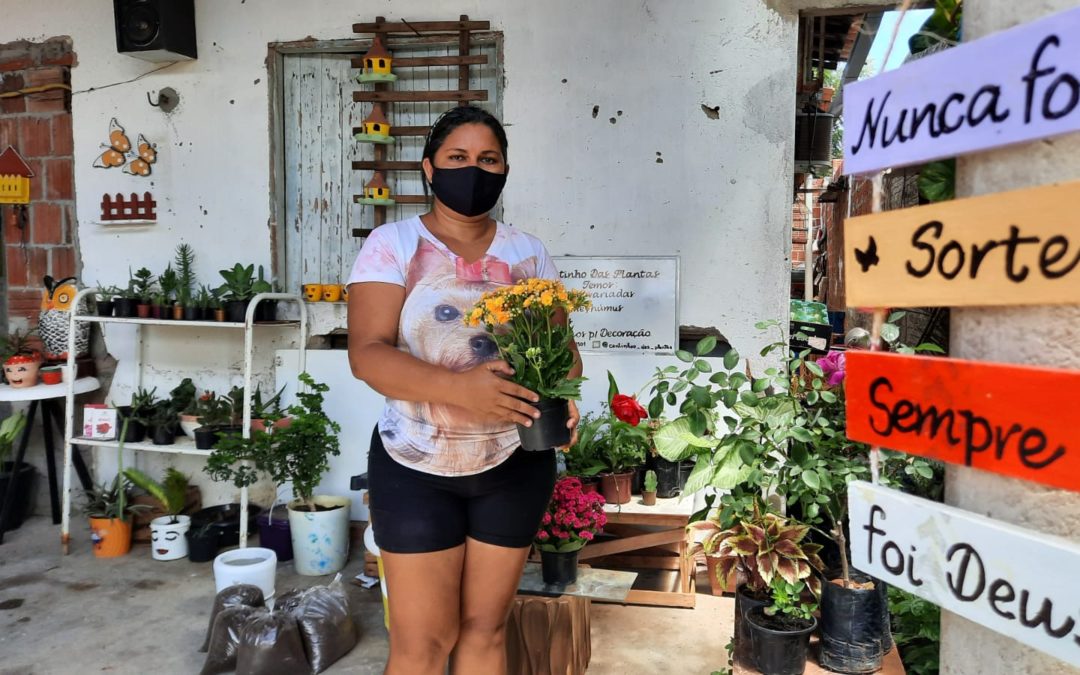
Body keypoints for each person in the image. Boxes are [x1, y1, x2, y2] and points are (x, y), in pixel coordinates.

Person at [347, 105, 582, 675]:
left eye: (487, 159)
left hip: (515, 460)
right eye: (457, 158)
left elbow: (562, 351)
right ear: (429, 169)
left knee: (486, 631)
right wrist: (460, 389)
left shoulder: (528, 253)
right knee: (423, 645)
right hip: (415, 466)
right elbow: (368, 355)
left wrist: (565, 394)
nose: (472, 170)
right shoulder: (391, 244)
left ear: (503, 171)